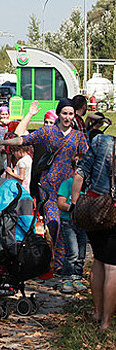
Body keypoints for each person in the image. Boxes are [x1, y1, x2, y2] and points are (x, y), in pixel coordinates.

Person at [0, 98, 88, 272]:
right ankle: (60, 266)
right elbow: (22, 140)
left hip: (69, 188)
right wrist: (1, 142)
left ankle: (70, 266)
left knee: (69, 226)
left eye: (71, 114)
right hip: (48, 186)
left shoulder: (78, 136)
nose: (68, 117)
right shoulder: (48, 132)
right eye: (64, 113)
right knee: (54, 225)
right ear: (59, 113)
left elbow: (87, 158)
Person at [71, 133, 116, 330]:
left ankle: (97, 312)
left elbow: (79, 174)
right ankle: (106, 321)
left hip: (94, 208)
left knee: (98, 259)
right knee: (112, 267)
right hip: (113, 211)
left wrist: (74, 206)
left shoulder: (101, 142)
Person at [57, 157, 87, 294]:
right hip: (68, 222)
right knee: (73, 252)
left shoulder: (88, 186)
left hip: (83, 223)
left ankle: (77, 276)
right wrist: (72, 208)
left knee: (81, 253)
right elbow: (61, 202)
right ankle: (66, 277)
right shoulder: (67, 184)